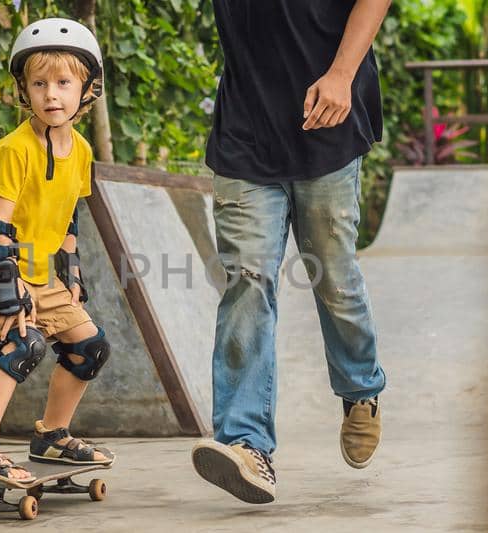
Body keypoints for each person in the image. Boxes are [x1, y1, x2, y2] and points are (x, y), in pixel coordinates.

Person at [190, 0, 392, 504]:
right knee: (247, 283)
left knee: (334, 278)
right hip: (245, 128)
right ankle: (245, 444)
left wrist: (343, 74)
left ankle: (360, 388)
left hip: (328, 120)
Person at [0, 18, 115, 482]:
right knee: (21, 344)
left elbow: (69, 220)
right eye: (39, 84)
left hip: (39, 268)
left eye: (64, 83)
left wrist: (74, 277)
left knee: (90, 347)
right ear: (25, 90)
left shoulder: (80, 150)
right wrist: (8, 288)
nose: (52, 95)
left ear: (87, 89)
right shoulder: (14, 149)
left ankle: (52, 437)